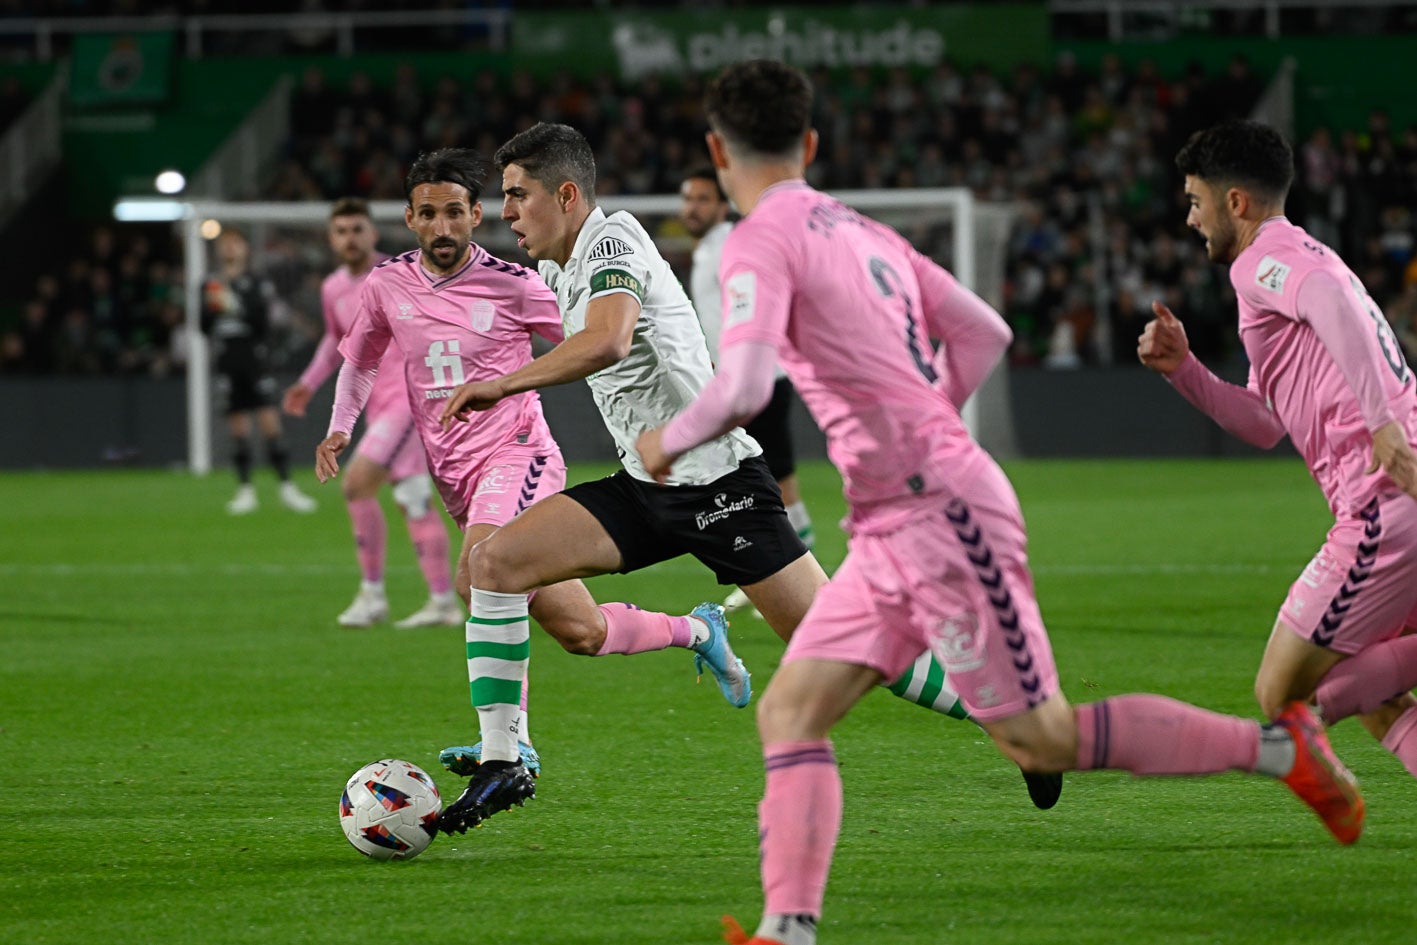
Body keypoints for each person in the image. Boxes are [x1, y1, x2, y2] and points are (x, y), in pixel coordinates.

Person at [634, 61, 1364, 945]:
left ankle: (1281, 751)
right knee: (792, 710)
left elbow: (744, 382)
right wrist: (924, 417)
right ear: (811, 144)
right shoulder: (867, 231)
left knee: (1041, 738)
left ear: (717, 150)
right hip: (890, 523)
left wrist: (666, 442)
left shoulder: (757, 239)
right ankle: (787, 928)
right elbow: (985, 331)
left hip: (942, 518)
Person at [436, 121, 1057, 833]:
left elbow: (605, 340)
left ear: (566, 193)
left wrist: (504, 384)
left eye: (517, 195)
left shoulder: (613, 241)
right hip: (646, 484)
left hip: (717, 485)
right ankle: (502, 756)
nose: (505, 211)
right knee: (495, 562)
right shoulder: (556, 267)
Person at [313, 148, 749, 830]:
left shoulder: (516, 284)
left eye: (455, 210)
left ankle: (505, 753)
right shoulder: (386, 285)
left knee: (479, 572)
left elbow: (594, 335)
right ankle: (698, 629)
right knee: (580, 629)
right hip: (455, 473)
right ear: (409, 218)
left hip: (518, 454)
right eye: (427, 212)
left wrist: (675, 374)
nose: (442, 223)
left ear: (475, 215)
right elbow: (359, 359)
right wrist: (340, 428)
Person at [1139, 118, 1417, 778]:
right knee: (1373, 692)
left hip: (1384, 501)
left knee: (1281, 693)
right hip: (1400, 492)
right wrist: (1185, 370)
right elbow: (1266, 422)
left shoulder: (1267, 263)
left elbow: (1328, 303)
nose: (1190, 219)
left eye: (1194, 201)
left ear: (1233, 201)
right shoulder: (1304, 254)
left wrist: (1379, 422)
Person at [283, 198, 462, 629]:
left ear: (373, 233)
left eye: (357, 229)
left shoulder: (402, 273)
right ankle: (441, 601)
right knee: (412, 498)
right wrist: (309, 382)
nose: (350, 238)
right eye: (341, 231)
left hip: (410, 399)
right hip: (375, 404)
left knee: (357, 484)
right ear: (331, 239)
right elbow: (337, 340)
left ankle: (373, 594)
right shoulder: (332, 289)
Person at [680, 166, 816, 616]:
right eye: (688, 199)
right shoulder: (708, 253)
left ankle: (787, 574)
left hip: (757, 380)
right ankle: (784, 573)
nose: (691, 209)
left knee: (764, 480)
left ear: (722, 206)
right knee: (776, 479)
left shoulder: (727, 248)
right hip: (756, 378)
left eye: (702, 199)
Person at [201, 227, 317, 516]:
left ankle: (287, 487)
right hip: (227, 359)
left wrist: (234, 305)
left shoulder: (256, 282)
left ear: (244, 248)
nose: (229, 249)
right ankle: (245, 491)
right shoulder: (210, 283)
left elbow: (262, 323)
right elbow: (203, 325)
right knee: (238, 427)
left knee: (269, 423)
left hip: (254, 359)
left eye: (234, 243)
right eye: (224, 244)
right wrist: (216, 309)